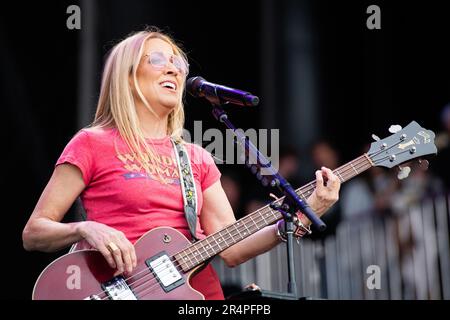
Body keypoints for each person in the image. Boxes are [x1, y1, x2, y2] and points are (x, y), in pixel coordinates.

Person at [22, 27, 341, 300]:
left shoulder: (196, 157)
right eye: (158, 59)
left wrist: (302, 216)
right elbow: (34, 233)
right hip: (112, 286)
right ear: (128, 75)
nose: (173, 69)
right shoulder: (92, 143)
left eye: (178, 63)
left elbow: (231, 248)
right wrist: (86, 228)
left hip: (193, 293)